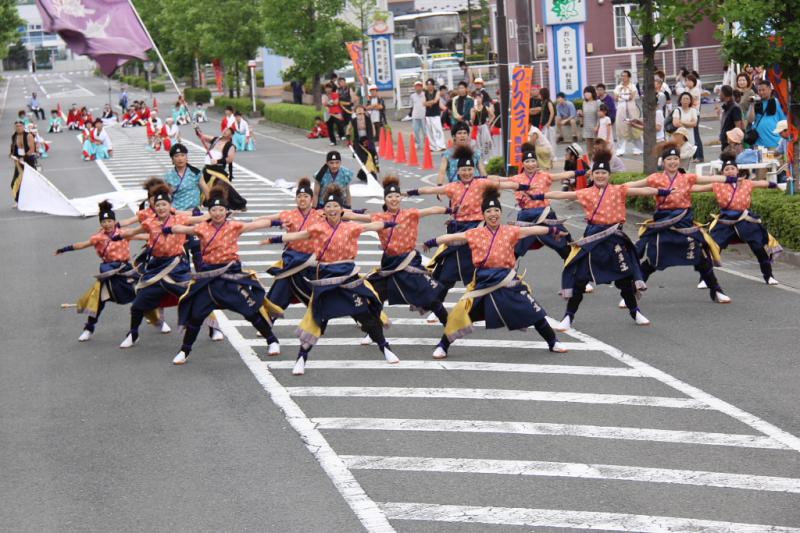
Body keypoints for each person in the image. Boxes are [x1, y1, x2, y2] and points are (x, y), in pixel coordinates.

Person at [264, 184, 401, 376]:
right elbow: (298, 235)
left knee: (364, 314)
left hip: (348, 278)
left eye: (335, 206)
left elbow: (371, 225)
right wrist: (274, 240)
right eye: (328, 207)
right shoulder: (318, 228)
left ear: (341, 209)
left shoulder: (350, 227)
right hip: (326, 279)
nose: (332, 210)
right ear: (324, 210)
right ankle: (301, 358)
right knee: (318, 319)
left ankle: (385, 347)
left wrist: (389, 224)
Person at [424, 184, 568, 359]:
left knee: (534, 312)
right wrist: (431, 242)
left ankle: (553, 342)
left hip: (507, 280)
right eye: (489, 211)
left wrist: (553, 230)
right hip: (483, 281)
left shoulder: (511, 231)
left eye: (496, 210)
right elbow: (453, 237)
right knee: (459, 314)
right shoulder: (475, 233)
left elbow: (532, 229)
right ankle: (443, 346)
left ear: (500, 212)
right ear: (483, 215)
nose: (493, 214)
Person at [542, 150, 661, 329]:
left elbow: (642, 190)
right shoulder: (586, 192)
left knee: (625, 279)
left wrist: (663, 190)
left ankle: (635, 312)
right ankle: (568, 316)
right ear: (592, 174)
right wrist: (542, 196)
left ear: (609, 175)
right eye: (597, 172)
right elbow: (566, 195)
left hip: (615, 239)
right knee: (580, 279)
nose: (600, 175)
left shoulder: (618, 190)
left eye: (603, 173)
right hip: (593, 239)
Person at [167, 186, 283, 365]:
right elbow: (182, 229)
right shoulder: (202, 228)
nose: (218, 213)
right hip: (209, 279)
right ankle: (185, 350)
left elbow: (254, 224)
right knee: (196, 316)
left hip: (231, 276)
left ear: (226, 211)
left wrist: (277, 222)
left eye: (221, 209)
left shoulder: (234, 226)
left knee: (251, 312)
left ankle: (272, 340)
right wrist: (167, 228)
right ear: (209, 211)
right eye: (214, 210)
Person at [406, 150, 528, 306]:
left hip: (478, 231)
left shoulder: (482, 183)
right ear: (458, 171)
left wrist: (525, 186)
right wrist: (409, 193)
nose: (467, 172)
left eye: (470, 169)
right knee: (446, 275)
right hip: (457, 232)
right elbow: (431, 190)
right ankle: (436, 306)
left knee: (481, 271)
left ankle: (497, 305)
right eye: (463, 169)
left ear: (474, 170)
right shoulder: (453, 187)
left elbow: (505, 184)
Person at [346, 176, 452, 341]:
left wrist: (451, 211)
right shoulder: (378, 218)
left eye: (396, 196)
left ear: (401, 197)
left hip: (409, 263)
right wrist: (332, 211)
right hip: (389, 265)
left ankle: (450, 326)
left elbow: (432, 210)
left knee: (430, 298)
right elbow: (352, 216)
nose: (394, 199)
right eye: (390, 196)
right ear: (385, 199)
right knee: (373, 296)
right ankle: (373, 331)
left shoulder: (411, 214)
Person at [625, 142, 731, 304]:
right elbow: (632, 185)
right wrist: (610, 188)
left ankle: (716, 290)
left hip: (685, 224)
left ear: (679, 161)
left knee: (701, 258)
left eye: (676, 159)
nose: (673, 162)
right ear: (663, 161)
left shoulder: (687, 178)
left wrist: (729, 178)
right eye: (669, 159)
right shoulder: (655, 178)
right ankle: (632, 293)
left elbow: (708, 179)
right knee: (653, 260)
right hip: (663, 224)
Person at [115, 185, 208, 349]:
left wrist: (218, 211)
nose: (161, 207)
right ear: (154, 207)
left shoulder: (179, 219)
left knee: (196, 297)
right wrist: (117, 235)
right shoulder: (149, 222)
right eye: (158, 205)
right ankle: (133, 333)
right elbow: (133, 232)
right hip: (156, 268)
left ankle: (213, 329)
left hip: (177, 268)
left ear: (170, 205)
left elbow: (200, 219)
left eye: (164, 204)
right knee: (137, 305)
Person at [55, 201, 151, 342]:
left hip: (126, 271)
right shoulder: (98, 237)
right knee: (99, 301)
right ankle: (89, 328)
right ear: (101, 223)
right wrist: (64, 249)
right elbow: (82, 244)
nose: (107, 224)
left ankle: (157, 321)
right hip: (109, 273)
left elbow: (144, 236)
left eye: (110, 220)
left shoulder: (124, 233)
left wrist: (165, 234)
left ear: (115, 221)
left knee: (143, 294)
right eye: (104, 221)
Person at [691, 158, 782, 286]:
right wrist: (680, 187)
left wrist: (776, 185)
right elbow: (697, 188)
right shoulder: (717, 185)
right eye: (726, 169)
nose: (730, 171)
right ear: (723, 173)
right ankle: (705, 279)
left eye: (732, 168)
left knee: (758, 247)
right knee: (712, 247)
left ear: (737, 170)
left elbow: (763, 183)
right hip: (725, 221)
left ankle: (769, 276)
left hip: (745, 219)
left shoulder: (747, 183)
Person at [257, 178, 323, 326]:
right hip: (292, 259)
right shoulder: (288, 215)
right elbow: (265, 219)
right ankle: (270, 317)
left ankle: (359, 316)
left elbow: (342, 215)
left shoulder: (320, 215)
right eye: (299, 196)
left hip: (311, 261)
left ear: (312, 200)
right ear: (296, 199)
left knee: (325, 291)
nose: (302, 199)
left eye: (306, 196)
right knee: (282, 285)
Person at [509, 144, 579, 261]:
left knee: (564, 245)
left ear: (536, 162)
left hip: (546, 215)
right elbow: (500, 181)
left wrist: (581, 172)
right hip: (526, 217)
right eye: (527, 161)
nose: (531, 164)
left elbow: (562, 175)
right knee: (514, 250)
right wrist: (480, 179)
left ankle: (574, 270)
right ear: (523, 163)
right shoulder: (516, 179)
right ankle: (505, 274)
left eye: (533, 161)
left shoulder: (544, 176)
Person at [195, 126, 247, 211]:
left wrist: (217, 161)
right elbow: (202, 137)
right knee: (203, 185)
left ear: (231, 135)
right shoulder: (216, 139)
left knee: (224, 187)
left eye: (228, 131)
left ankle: (240, 203)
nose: (225, 132)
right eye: (225, 130)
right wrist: (198, 132)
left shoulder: (230, 146)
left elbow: (230, 159)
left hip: (217, 170)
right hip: (207, 168)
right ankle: (208, 202)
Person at [748, 81, 787, 149]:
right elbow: (751, 120)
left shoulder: (777, 102)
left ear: (769, 89)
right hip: (758, 143)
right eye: (759, 90)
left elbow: (783, 121)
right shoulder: (756, 102)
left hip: (774, 142)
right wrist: (752, 105)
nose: (761, 92)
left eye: (763, 90)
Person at [614, 70, 643, 156]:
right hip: (621, 110)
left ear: (629, 77)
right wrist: (623, 97)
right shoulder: (618, 87)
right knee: (621, 128)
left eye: (625, 76)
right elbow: (615, 98)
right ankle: (620, 149)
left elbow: (631, 97)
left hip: (631, 110)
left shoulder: (633, 86)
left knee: (635, 128)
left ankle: (638, 148)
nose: (623, 77)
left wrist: (621, 96)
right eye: (622, 76)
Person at [9, 121, 37, 205]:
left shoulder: (28, 135)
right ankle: (18, 201)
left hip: (28, 160)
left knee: (31, 182)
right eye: (16, 126)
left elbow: (31, 149)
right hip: (19, 162)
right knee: (14, 182)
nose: (18, 128)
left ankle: (33, 199)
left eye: (20, 126)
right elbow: (13, 147)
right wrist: (12, 154)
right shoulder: (14, 136)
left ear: (23, 126)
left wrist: (23, 157)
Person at [718, 85, 744, 151]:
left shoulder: (735, 108)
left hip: (731, 143)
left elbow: (738, 127)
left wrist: (734, 144)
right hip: (725, 141)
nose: (719, 94)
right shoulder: (726, 107)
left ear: (726, 95)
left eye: (721, 93)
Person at [685, 74, 704, 162]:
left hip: (694, 114)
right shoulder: (688, 90)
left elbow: (689, 100)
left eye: (689, 81)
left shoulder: (695, 90)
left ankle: (699, 156)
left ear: (694, 82)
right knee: (691, 136)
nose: (687, 82)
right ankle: (695, 156)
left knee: (696, 136)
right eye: (686, 80)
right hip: (689, 114)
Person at [424, 78, 446, 151]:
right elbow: (423, 103)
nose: (429, 86)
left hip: (436, 113)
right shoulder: (425, 93)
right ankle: (432, 146)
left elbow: (436, 100)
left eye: (431, 84)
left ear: (433, 85)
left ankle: (441, 145)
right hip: (428, 114)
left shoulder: (437, 92)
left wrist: (429, 103)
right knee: (429, 131)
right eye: (428, 85)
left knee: (438, 129)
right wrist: (431, 102)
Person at [470, 92, 494, 159]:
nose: (478, 99)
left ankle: (487, 157)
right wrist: (474, 112)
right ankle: (478, 158)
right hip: (476, 127)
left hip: (484, 126)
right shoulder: (472, 109)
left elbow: (493, 116)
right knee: (475, 144)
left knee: (486, 142)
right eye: (476, 98)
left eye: (479, 98)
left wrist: (489, 123)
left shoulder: (485, 108)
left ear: (482, 98)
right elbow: (472, 120)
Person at [408, 80, 427, 149]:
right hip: (415, 115)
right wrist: (410, 114)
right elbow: (411, 106)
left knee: (425, 131)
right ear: (415, 88)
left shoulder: (425, 94)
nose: (418, 88)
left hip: (423, 115)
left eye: (419, 86)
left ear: (422, 87)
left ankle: (426, 143)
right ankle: (417, 143)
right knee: (416, 130)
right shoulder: (412, 96)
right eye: (417, 86)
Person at [580, 86, 599, 152]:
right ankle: (590, 162)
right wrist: (580, 114)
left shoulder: (597, 102)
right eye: (585, 92)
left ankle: (597, 162)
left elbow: (599, 116)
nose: (586, 94)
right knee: (589, 150)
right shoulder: (584, 103)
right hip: (587, 128)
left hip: (595, 128)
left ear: (592, 93)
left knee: (596, 148)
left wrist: (597, 126)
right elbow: (584, 115)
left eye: (588, 92)